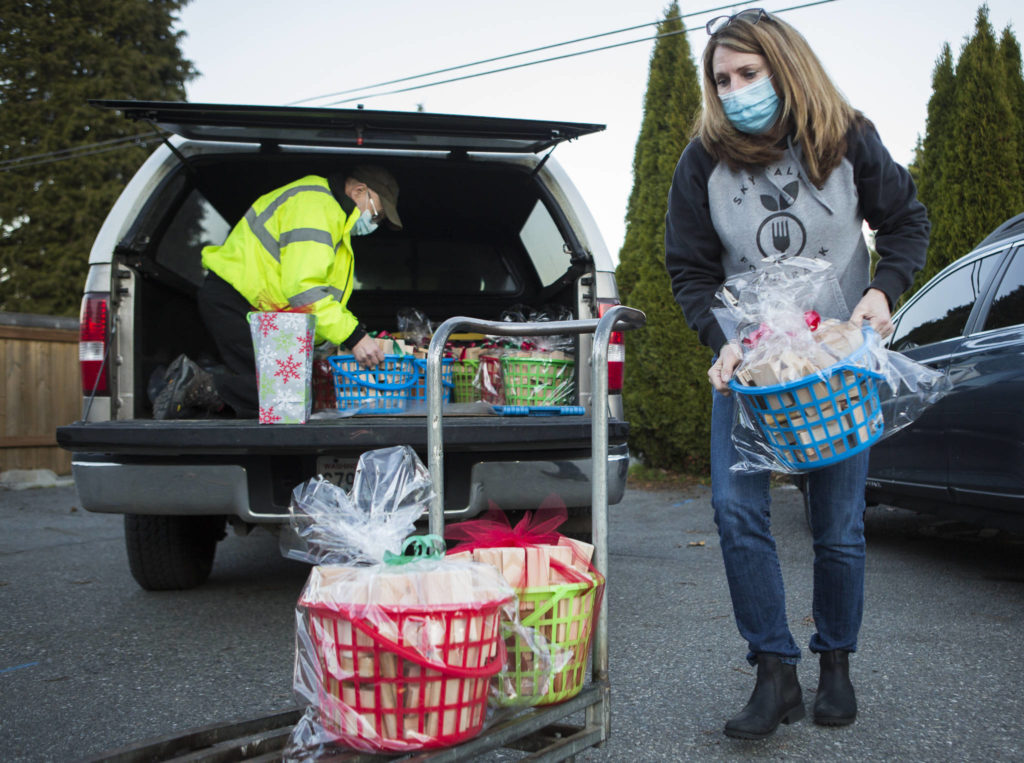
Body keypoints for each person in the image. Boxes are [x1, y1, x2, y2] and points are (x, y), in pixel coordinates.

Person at [664, 9, 929, 739]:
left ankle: (836, 660)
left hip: (836, 368)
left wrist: (881, 291)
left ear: (784, 66)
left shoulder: (846, 139)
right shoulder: (701, 162)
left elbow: (907, 221)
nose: (735, 89)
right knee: (736, 509)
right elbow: (688, 268)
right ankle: (773, 669)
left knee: (838, 524)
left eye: (748, 73)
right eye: (722, 79)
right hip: (753, 369)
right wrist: (720, 341)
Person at [153, 165, 401, 419]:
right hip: (239, 303)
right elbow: (304, 290)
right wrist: (354, 336)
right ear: (359, 190)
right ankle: (197, 385)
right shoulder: (316, 208)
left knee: (291, 394)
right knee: (287, 395)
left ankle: (197, 389)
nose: (374, 222)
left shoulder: (330, 213)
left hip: (257, 311)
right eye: (376, 214)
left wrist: (327, 342)